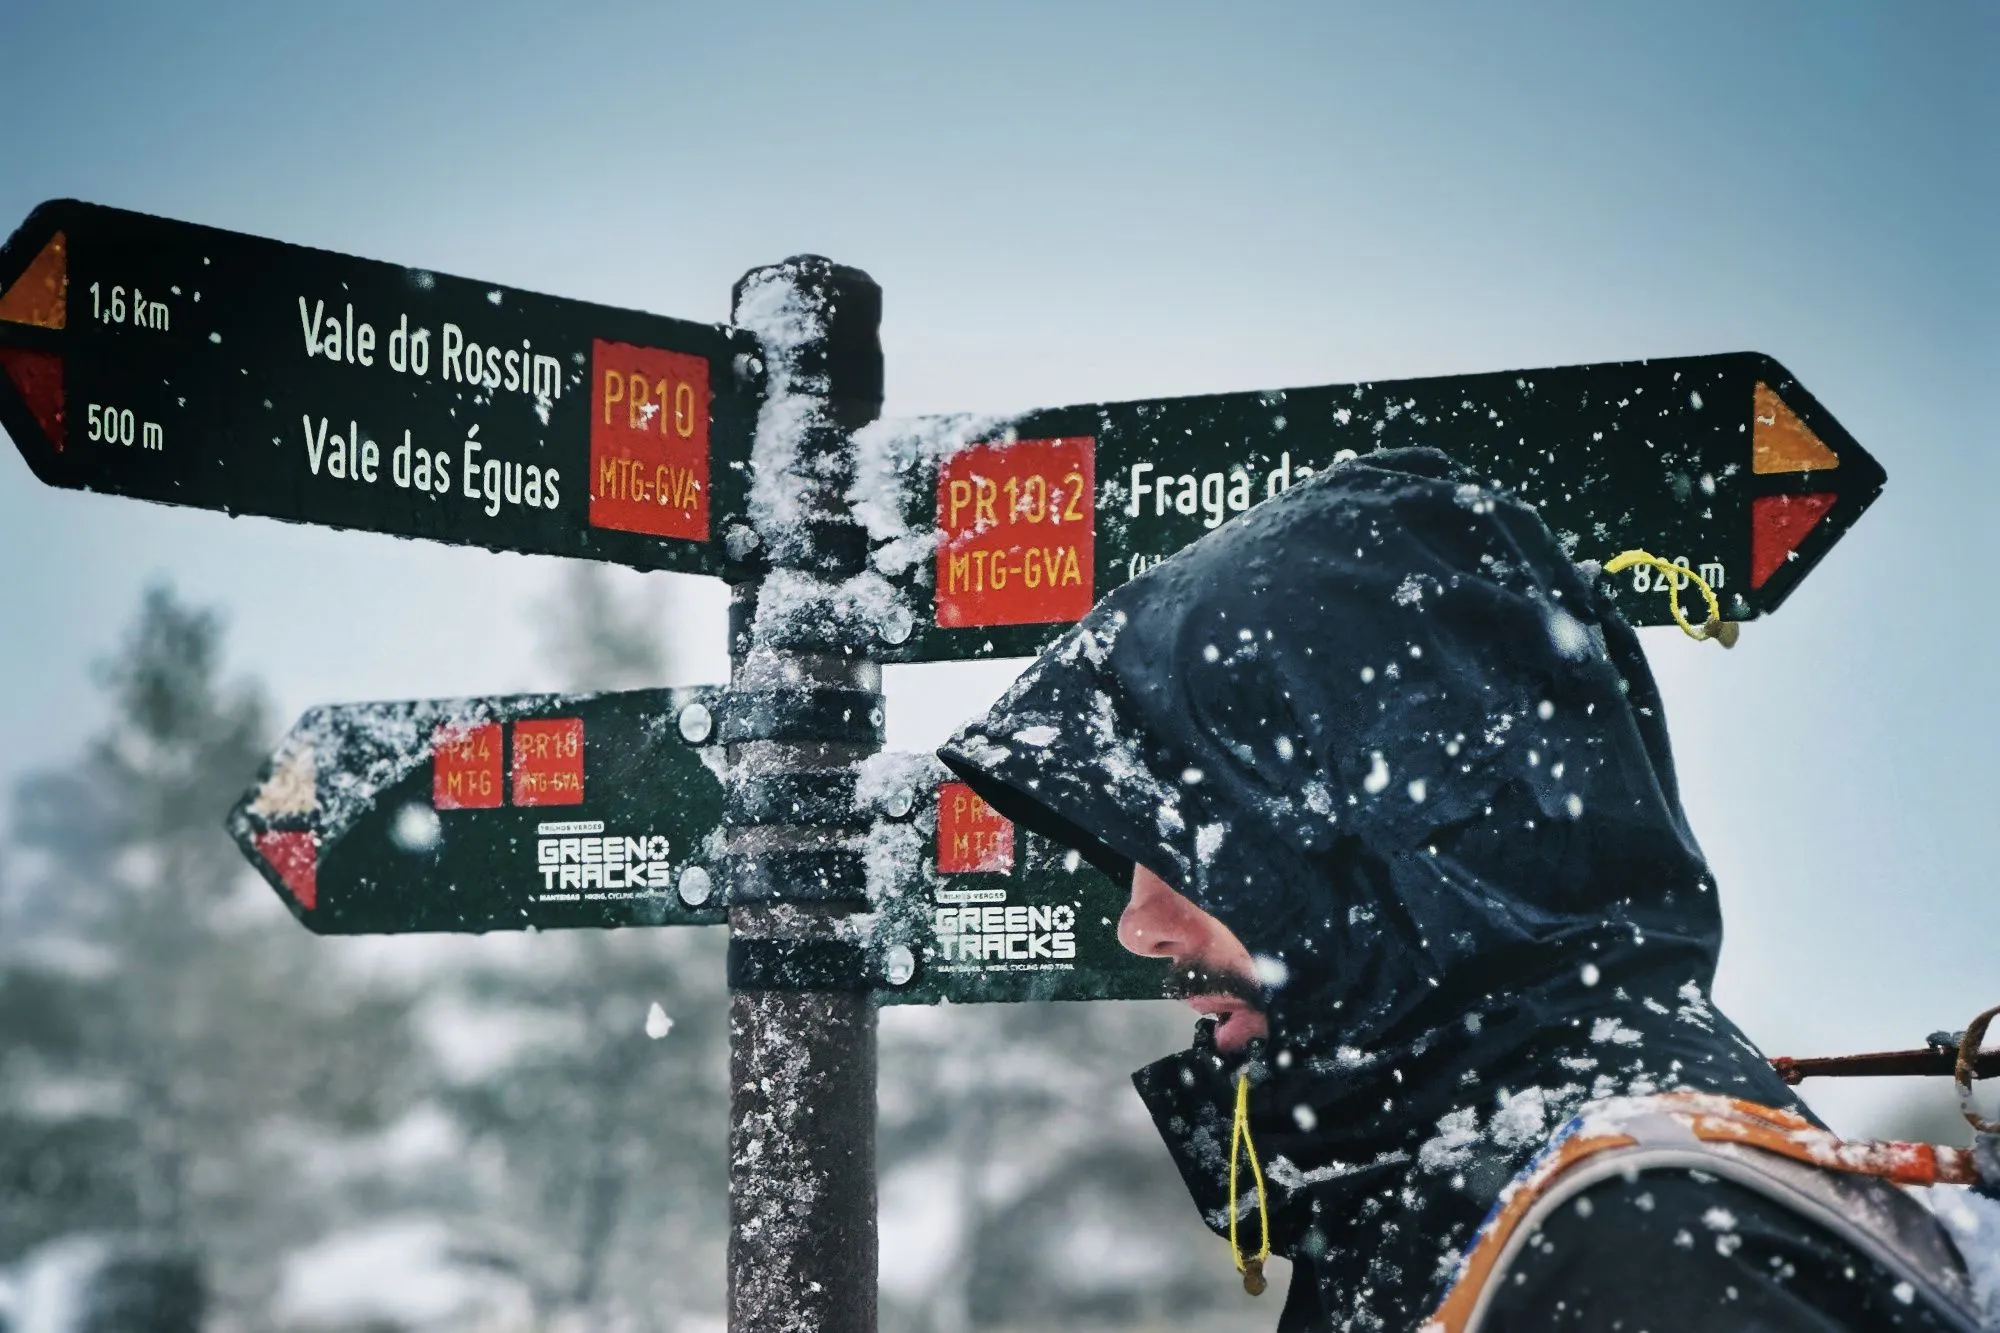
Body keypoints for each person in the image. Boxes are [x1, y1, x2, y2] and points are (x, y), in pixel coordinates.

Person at [939, 449, 1985, 1331]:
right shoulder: (1443, 1190)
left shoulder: (1632, 1254)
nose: (1139, 923)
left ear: (1395, 827)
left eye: (1194, 841)